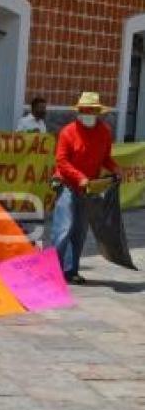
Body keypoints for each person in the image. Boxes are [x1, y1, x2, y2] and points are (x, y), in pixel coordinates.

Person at [51, 92, 121, 285]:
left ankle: (71, 271)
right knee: (64, 228)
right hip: (67, 184)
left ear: (98, 112)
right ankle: (53, 271)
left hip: (89, 188)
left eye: (91, 110)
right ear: (79, 112)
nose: (87, 113)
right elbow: (62, 161)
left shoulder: (104, 132)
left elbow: (105, 157)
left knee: (80, 230)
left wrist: (115, 168)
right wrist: (80, 177)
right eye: (83, 110)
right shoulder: (68, 132)